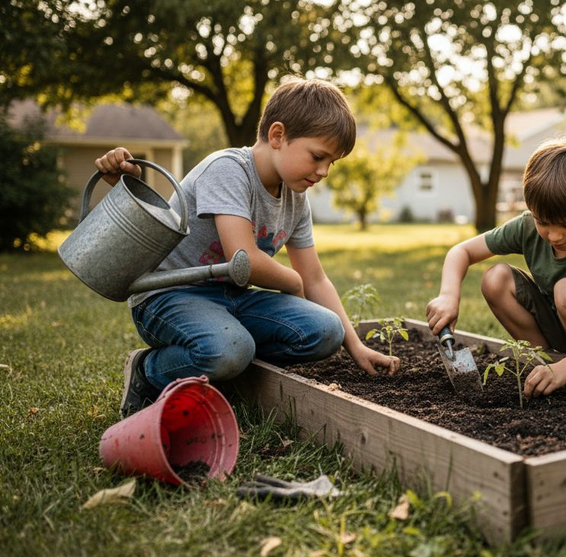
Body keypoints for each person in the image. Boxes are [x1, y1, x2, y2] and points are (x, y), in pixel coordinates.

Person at [95, 79, 399, 418]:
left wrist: (354, 345)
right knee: (229, 349)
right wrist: (291, 283)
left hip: (233, 299)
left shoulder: (296, 198)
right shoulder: (227, 170)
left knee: (327, 331)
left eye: (332, 162)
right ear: (277, 135)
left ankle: (228, 365)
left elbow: (314, 278)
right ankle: (148, 370)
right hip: (170, 296)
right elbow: (246, 261)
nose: (324, 171)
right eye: (318, 156)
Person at [425, 138, 566, 398]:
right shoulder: (526, 227)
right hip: (562, 323)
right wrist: (448, 295)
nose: (554, 235)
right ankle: (545, 363)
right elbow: (461, 252)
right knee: (495, 278)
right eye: (543, 221)